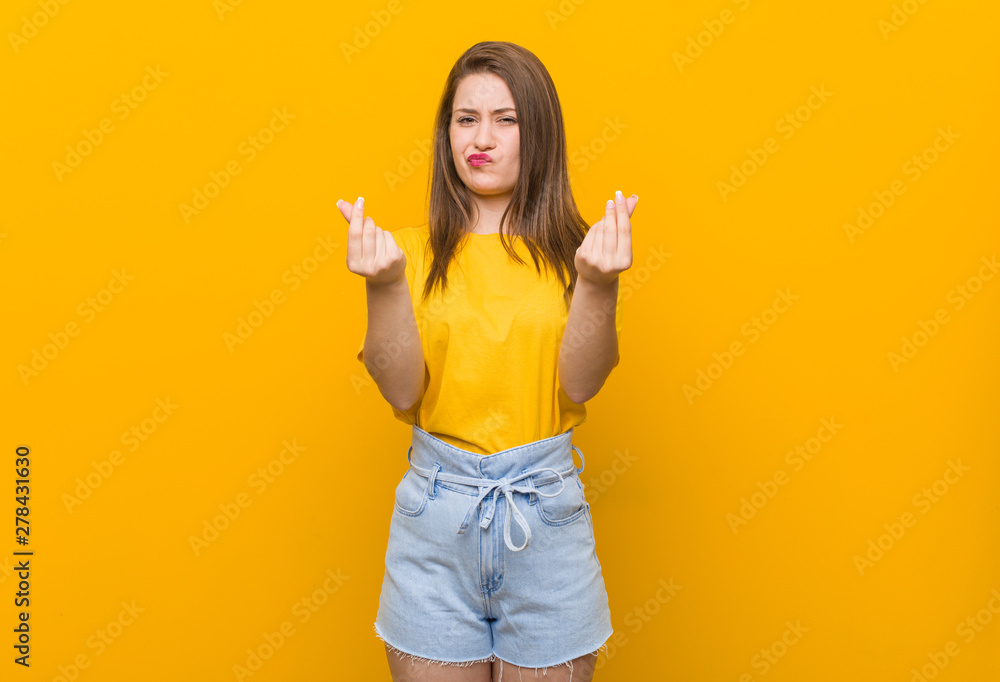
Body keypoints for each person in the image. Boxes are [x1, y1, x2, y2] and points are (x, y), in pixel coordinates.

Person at [338, 41, 637, 682]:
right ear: (446, 132)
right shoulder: (405, 254)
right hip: (434, 519)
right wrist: (384, 286)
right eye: (465, 118)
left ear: (540, 132)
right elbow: (401, 393)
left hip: (545, 518)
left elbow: (581, 383)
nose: (482, 137)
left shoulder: (580, 254)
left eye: (506, 119)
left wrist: (599, 285)